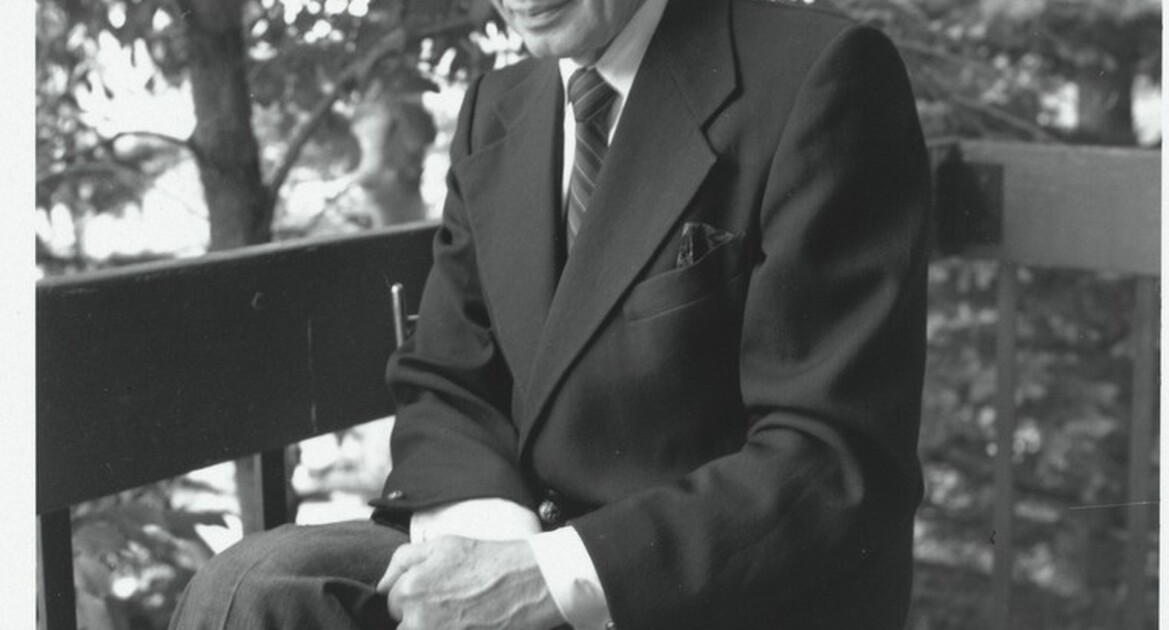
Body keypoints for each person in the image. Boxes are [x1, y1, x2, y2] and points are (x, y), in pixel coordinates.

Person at [170, 0, 930, 628]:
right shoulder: (494, 109)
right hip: (509, 532)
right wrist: (493, 557)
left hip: (691, 591)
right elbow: (445, 383)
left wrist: (550, 581)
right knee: (251, 591)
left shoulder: (817, 75)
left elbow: (828, 459)